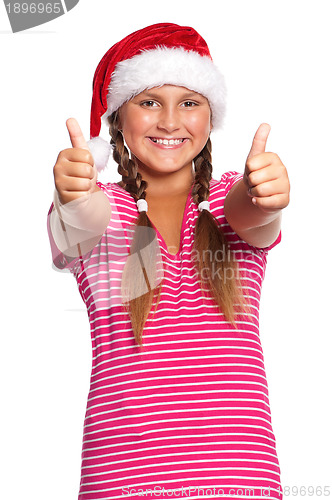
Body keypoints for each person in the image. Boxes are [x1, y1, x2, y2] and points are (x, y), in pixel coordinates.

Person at [47, 22, 290, 500]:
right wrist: (72, 197)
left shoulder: (226, 201)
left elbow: (254, 215)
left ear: (209, 116)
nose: (170, 121)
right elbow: (83, 220)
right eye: (150, 101)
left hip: (239, 477)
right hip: (122, 477)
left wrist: (267, 195)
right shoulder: (106, 210)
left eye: (190, 103)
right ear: (118, 117)